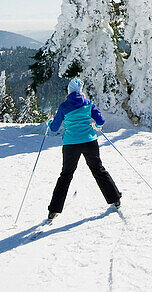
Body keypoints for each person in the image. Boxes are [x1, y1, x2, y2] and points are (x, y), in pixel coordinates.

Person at [45, 77, 121, 222]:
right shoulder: (88, 103)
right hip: (89, 141)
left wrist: (49, 124)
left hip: (70, 144)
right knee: (98, 170)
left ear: (69, 92)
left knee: (65, 175)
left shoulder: (64, 106)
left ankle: (54, 210)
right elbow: (100, 121)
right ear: (80, 91)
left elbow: (54, 128)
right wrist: (97, 127)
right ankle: (115, 198)